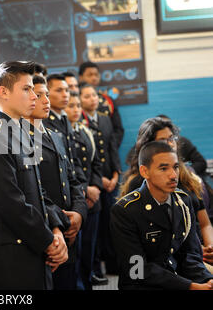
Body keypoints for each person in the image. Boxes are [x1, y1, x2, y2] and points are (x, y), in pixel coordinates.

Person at [0, 61, 68, 289]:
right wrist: (48, 241)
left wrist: (55, 229)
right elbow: (9, 203)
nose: (34, 96)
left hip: (34, 245)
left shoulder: (18, 132)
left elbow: (37, 191)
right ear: (3, 92)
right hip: (16, 257)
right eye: (26, 89)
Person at [111, 141, 213, 289]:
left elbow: (190, 256)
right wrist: (189, 286)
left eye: (176, 167)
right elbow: (137, 271)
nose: (173, 175)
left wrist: (207, 281)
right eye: (163, 168)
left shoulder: (183, 201)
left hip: (179, 279)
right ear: (145, 172)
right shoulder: (125, 210)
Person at [24, 75, 86, 290]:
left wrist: (78, 212)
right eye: (38, 95)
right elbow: (33, 188)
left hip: (69, 226)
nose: (45, 100)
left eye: (47, 95)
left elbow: (72, 179)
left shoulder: (55, 135)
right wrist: (57, 220)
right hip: (49, 228)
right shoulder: (22, 139)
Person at [79, 82, 121, 282]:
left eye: (94, 95)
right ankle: (96, 268)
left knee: (112, 224)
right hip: (94, 181)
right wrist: (100, 180)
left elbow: (112, 147)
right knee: (94, 229)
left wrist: (116, 174)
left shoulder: (105, 119)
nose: (92, 99)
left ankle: (113, 263)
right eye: (86, 96)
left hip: (110, 180)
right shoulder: (78, 120)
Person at [65, 92, 104, 290]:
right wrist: (84, 190)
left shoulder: (84, 131)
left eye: (78, 105)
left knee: (89, 248)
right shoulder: (64, 134)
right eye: (71, 105)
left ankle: (88, 282)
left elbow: (96, 162)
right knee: (78, 252)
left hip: (93, 198)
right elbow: (71, 168)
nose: (75, 109)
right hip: (79, 197)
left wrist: (96, 187)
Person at [43, 74, 87, 194]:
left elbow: (73, 157)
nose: (65, 94)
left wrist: (82, 186)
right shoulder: (42, 121)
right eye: (59, 90)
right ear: (46, 93)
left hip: (73, 187)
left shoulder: (64, 118)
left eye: (67, 90)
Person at [78, 61, 124, 148]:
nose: (94, 78)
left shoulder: (108, 100)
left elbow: (118, 129)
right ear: (80, 77)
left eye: (96, 75)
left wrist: (112, 146)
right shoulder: (74, 100)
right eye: (90, 75)